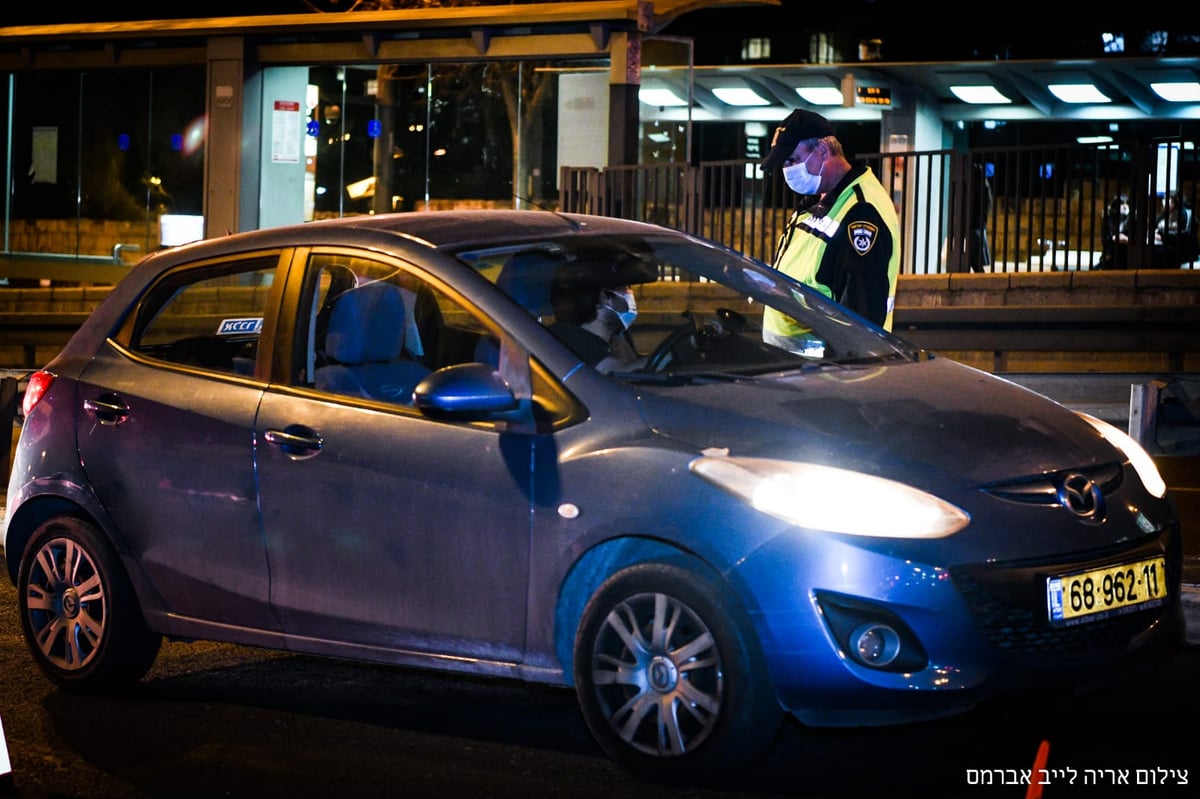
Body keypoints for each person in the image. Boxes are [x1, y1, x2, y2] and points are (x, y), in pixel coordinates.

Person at [759, 109, 901, 348]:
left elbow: (861, 317)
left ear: (823, 150)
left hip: (820, 372)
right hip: (793, 365)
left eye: (792, 160)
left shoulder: (861, 212)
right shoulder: (820, 199)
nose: (787, 170)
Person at [547, 268, 642, 372]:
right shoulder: (573, 343)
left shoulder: (611, 340)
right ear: (604, 298)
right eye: (624, 289)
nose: (630, 294)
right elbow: (618, 374)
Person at [1153, 191, 1199, 268]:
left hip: (1184, 249)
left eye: (1167, 198)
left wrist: (1162, 237)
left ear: (1175, 200)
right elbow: (1156, 227)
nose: (1164, 201)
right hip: (1166, 245)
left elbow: (1186, 235)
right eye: (1164, 198)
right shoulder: (1165, 214)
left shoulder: (1186, 213)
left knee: (1158, 255)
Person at [1099, 193, 1132, 270]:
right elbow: (1105, 238)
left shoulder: (1129, 219)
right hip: (1112, 254)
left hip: (1126, 254)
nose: (1125, 206)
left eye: (1126, 204)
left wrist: (1127, 239)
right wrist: (1114, 238)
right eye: (1122, 204)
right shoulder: (1109, 220)